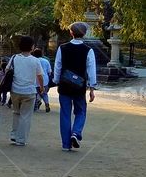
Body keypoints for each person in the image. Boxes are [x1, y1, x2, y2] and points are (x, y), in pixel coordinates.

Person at [52, 22, 97, 152]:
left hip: (65, 85)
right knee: (81, 111)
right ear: (84, 34)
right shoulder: (88, 50)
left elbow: (58, 65)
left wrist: (56, 80)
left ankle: (66, 144)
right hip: (79, 86)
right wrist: (92, 88)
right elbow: (91, 70)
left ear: (71, 33)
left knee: (65, 114)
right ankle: (76, 133)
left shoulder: (63, 48)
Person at [6, 35, 44, 146]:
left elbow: (7, 69)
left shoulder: (14, 58)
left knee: (16, 112)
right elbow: (40, 76)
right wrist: (41, 87)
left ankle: (13, 134)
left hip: (15, 90)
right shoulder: (35, 60)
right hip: (29, 91)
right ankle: (21, 139)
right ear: (32, 47)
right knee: (25, 115)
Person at [32, 48, 52, 112]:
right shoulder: (46, 61)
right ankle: (47, 105)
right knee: (44, 94)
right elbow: (49, 71)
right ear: (41, 54)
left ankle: (35, 108)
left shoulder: (33, 61)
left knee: (35, 94)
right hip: (45, 80)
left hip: (34, 80)